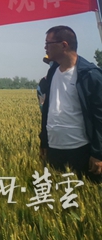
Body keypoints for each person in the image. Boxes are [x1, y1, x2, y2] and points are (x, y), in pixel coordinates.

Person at [40, 25, 102, 180]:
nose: (45, 47)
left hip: (80, 149)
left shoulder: (90, 75)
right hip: (55, 149)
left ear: (64, 45)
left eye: (48, 43)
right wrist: (44, 142)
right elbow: (48, 109)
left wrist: (98, 153)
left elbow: (100, 117)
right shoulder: (53, 71)